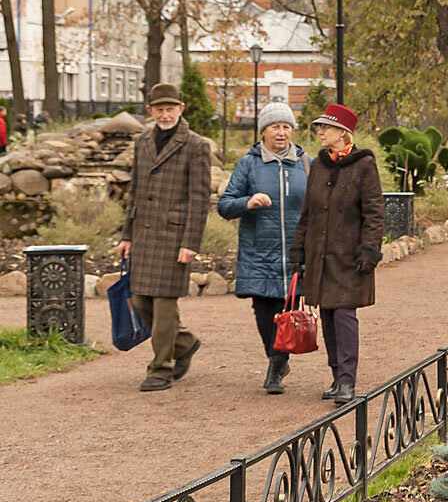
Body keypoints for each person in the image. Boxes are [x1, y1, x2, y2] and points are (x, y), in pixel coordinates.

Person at [116, 83, 210, 392]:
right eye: (160, 109)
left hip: (174, 237)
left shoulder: (196, 145)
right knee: (141, 300)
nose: (165, 114)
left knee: (164, 305)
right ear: (151, 111)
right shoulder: (142, 141)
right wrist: (126, 235)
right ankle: (184, 343)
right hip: (143, 235)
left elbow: (199, 199)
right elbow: (135, 192)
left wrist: (190, 243)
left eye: (171, 109)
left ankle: (160, 368)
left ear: (181, 109)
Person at [289, 104, 384, 406]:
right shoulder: (318, 165)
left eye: (326, 127)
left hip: (349, 257)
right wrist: (298, 251)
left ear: (343, 133)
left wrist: (369, 251)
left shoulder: (364, 165)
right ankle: (336, 377)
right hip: (320, 256)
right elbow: (307, 213)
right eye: (319, 127)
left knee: (344, 315)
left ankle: (347, 380)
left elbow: (374, 213)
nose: (320, 131)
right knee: (328, 316)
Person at [218, 103, 310, 395]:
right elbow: (224, 205)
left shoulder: (307, 163)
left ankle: (276, 366)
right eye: (275, 127)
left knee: (288, 311)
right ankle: (276, 359)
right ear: (263, 132)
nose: (281, 133)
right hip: (259, 252)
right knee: (264, 311)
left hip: (295, 251)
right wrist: (248, 202)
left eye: (286, 127)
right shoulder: (249, 164)